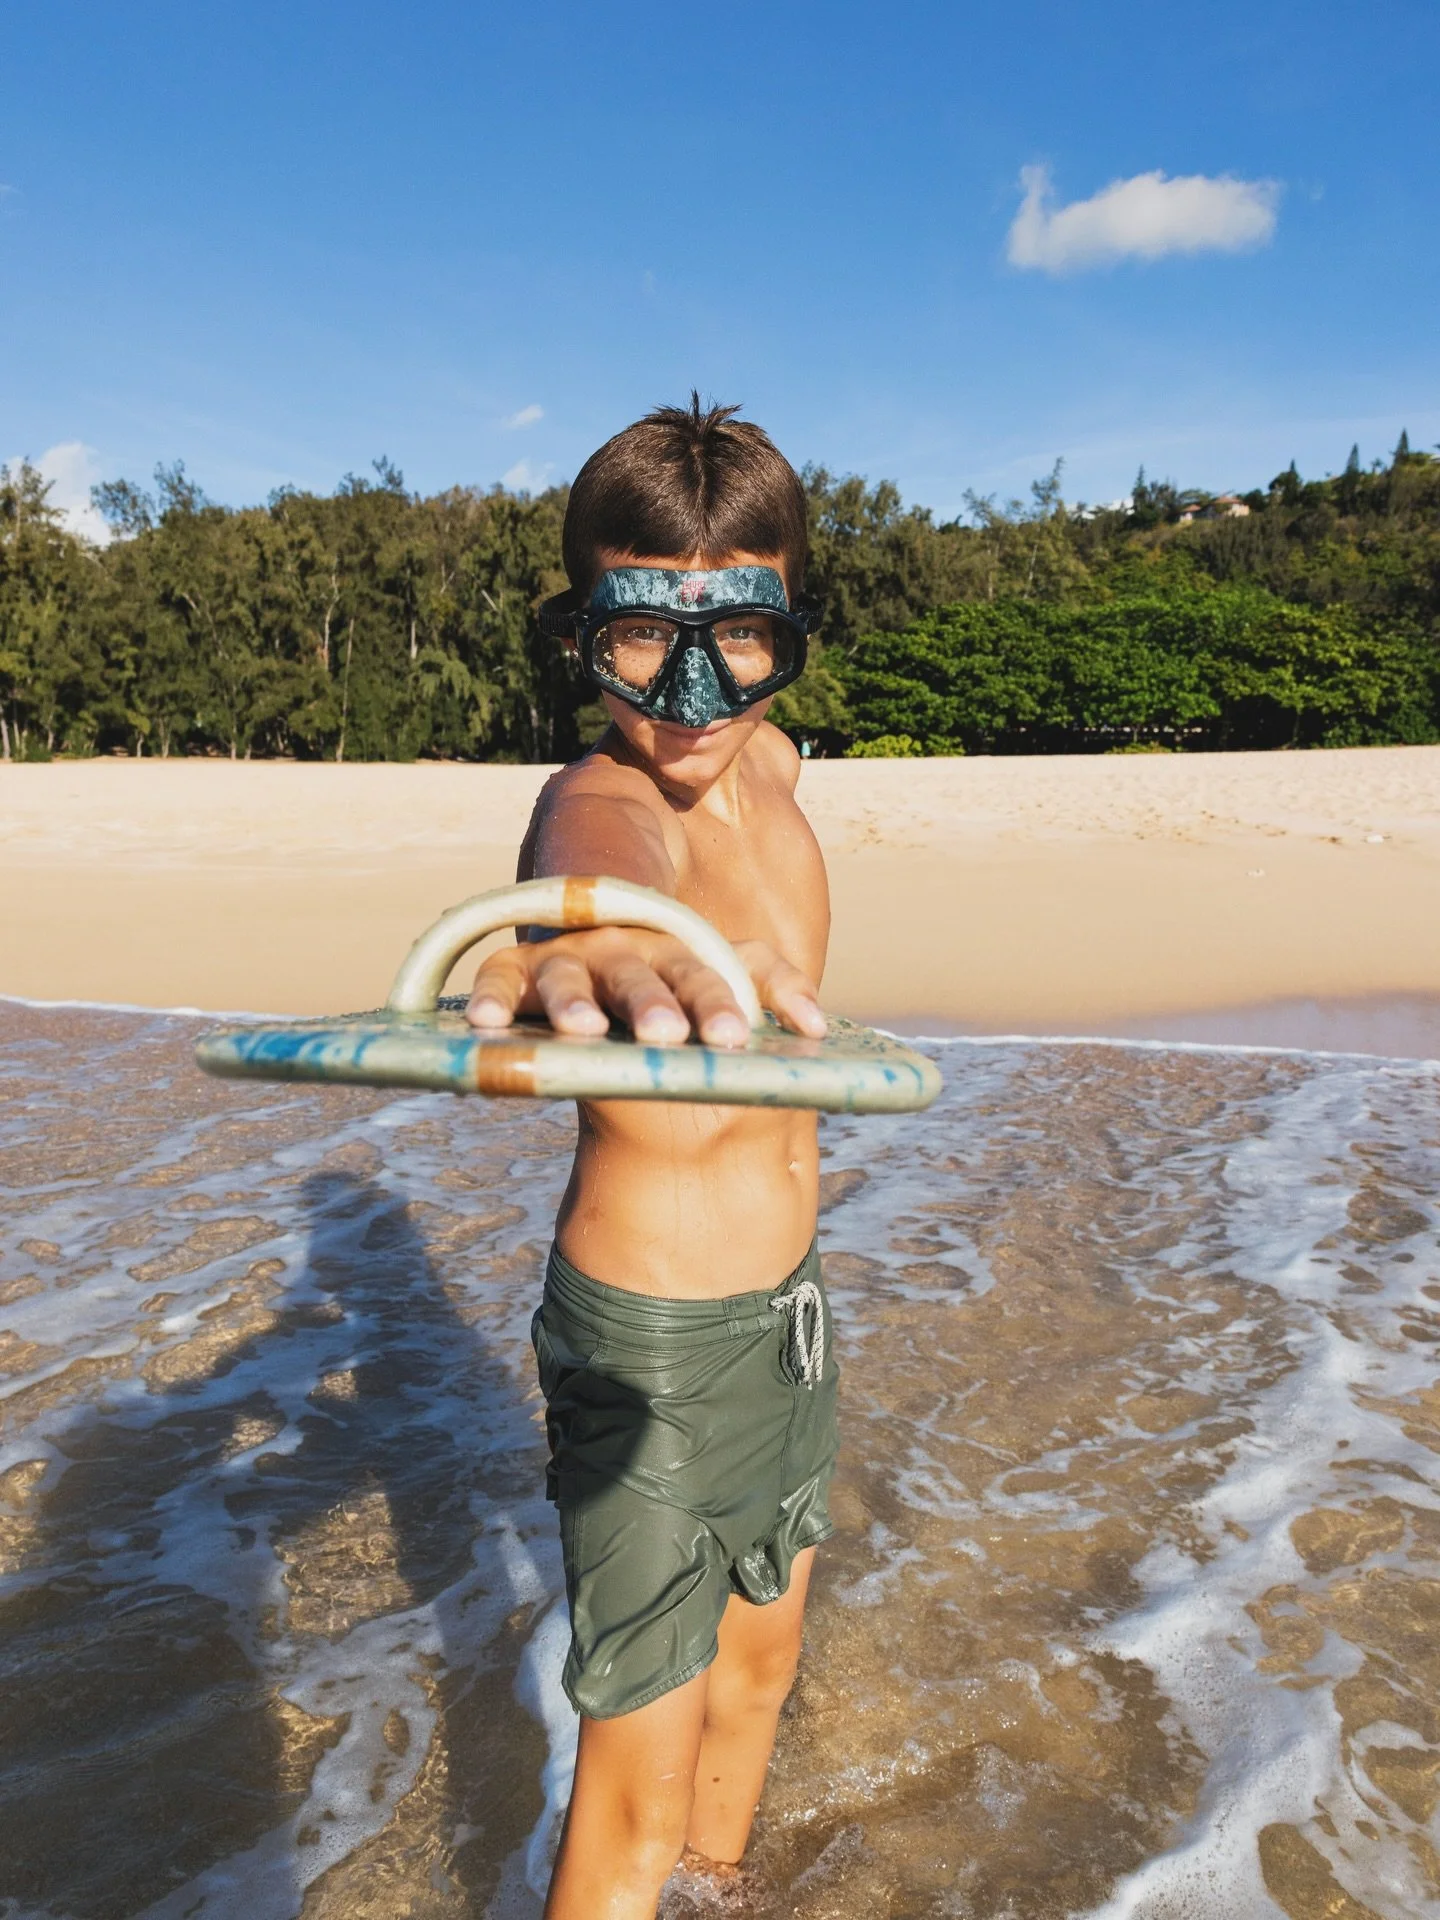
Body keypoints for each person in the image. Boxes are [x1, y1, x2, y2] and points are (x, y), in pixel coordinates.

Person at [465, 396, 837, 1918]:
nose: (689, 694)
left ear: (792, 621)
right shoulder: (604, 798)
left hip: (789, 1318)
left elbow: (740, 747)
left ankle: (724, 1898)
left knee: (759, 1677)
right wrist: (599, 935)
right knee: (635, 1771)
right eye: (637, 642)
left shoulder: (777, 768)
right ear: (579, 635)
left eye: (737, 635)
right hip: (658, 1342)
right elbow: (592, 860)